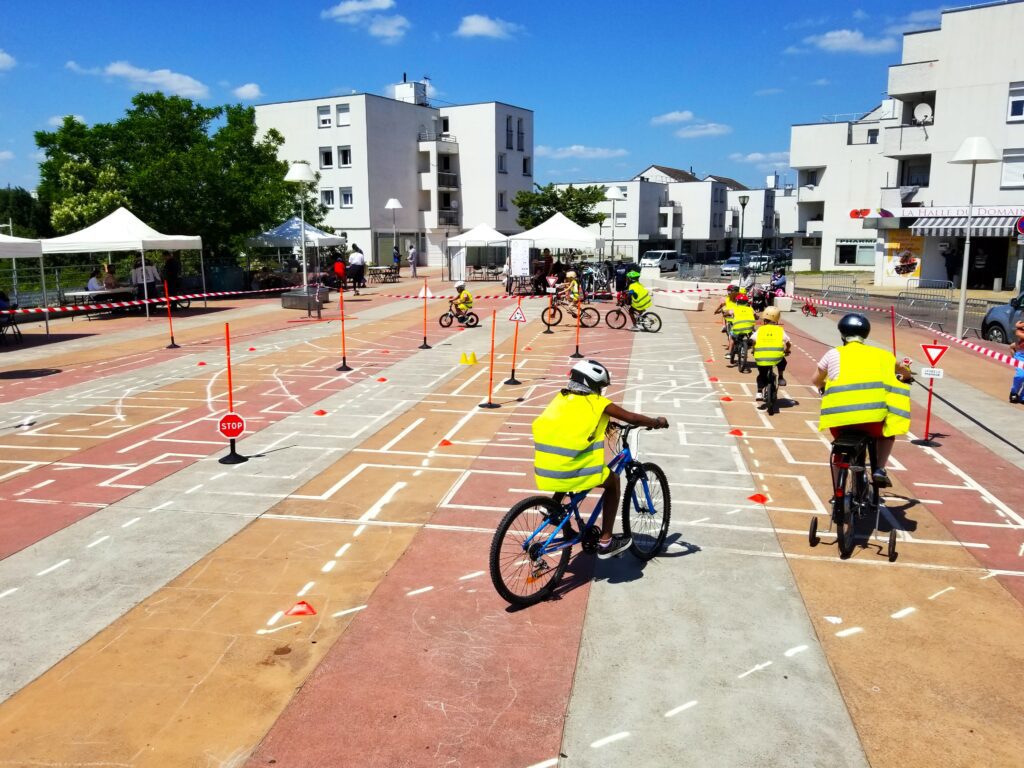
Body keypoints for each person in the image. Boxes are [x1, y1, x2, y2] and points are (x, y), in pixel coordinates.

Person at [532, 360, 669, 558]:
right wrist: (657, 422)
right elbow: (633, 419)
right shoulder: (597, 403)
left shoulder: (560, 398)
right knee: (613, 480)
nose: (600, 391)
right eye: (599, 387)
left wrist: (605, 424)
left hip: (545, 467)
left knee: (569, 459)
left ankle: (552, 507)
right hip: (571, 467)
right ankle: (606, 541)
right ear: (591, 384)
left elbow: (573, 423)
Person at [812, 313, 912, 488]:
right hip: (872, 421)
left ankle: (838, 493)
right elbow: (903, 370)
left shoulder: (833, 354)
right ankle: (879, 468)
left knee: (839, 452)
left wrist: (823, 385)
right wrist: (906, 377)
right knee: (887, 434)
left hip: (838, 421)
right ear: (866, 334)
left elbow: (815, 380)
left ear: (842, 334)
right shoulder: (882, 355)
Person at [751, 306, 791, 401]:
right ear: (776, 320)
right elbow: (788, 343)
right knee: (783, 362)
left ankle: (759, 392)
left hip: (761, 357)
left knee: (762, 374)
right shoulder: (779, 330)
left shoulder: (760, 330)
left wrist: (753, 349)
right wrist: (787, 350)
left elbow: (752, 341)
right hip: (776, 357)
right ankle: (781, 377)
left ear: (764, 320)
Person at [728, 292, 756, 359]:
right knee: (754, 338)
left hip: (737, 329)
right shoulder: (750, 309)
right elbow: (756, 316)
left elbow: (728, 313)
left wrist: (725, 314)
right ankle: (754, 350)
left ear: (737, 302)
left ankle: (729, 353)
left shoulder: (734, 308)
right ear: (747, 302)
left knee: (731, 337)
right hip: (749, 329)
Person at [1009, 320, 1024, 404]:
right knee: (1020, 375)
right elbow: (1018, 333)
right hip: (1021, 355)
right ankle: (1014, 393)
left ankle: (1023, 397)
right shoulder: (1021, 324)